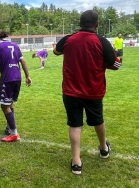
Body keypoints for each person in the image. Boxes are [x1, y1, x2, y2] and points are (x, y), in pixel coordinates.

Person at [53, 10, 121, 175]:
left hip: (70, 91)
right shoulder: (101, 41)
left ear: (79, 23)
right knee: (98, 120)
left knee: (75, 124)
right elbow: (116, 65)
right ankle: (104, 149)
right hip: (93, 91)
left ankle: (76, 162)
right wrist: (103, 62)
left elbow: (56, 51)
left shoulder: (69, 39)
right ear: (97, 24)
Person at [0, 31, 32, 142]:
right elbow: (23, 61)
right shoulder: (15, 45)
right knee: (10, 103)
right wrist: (28, 76)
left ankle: (14, 134)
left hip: (7, 78)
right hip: (18, 77)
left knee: (4, 106)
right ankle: (9, 128)